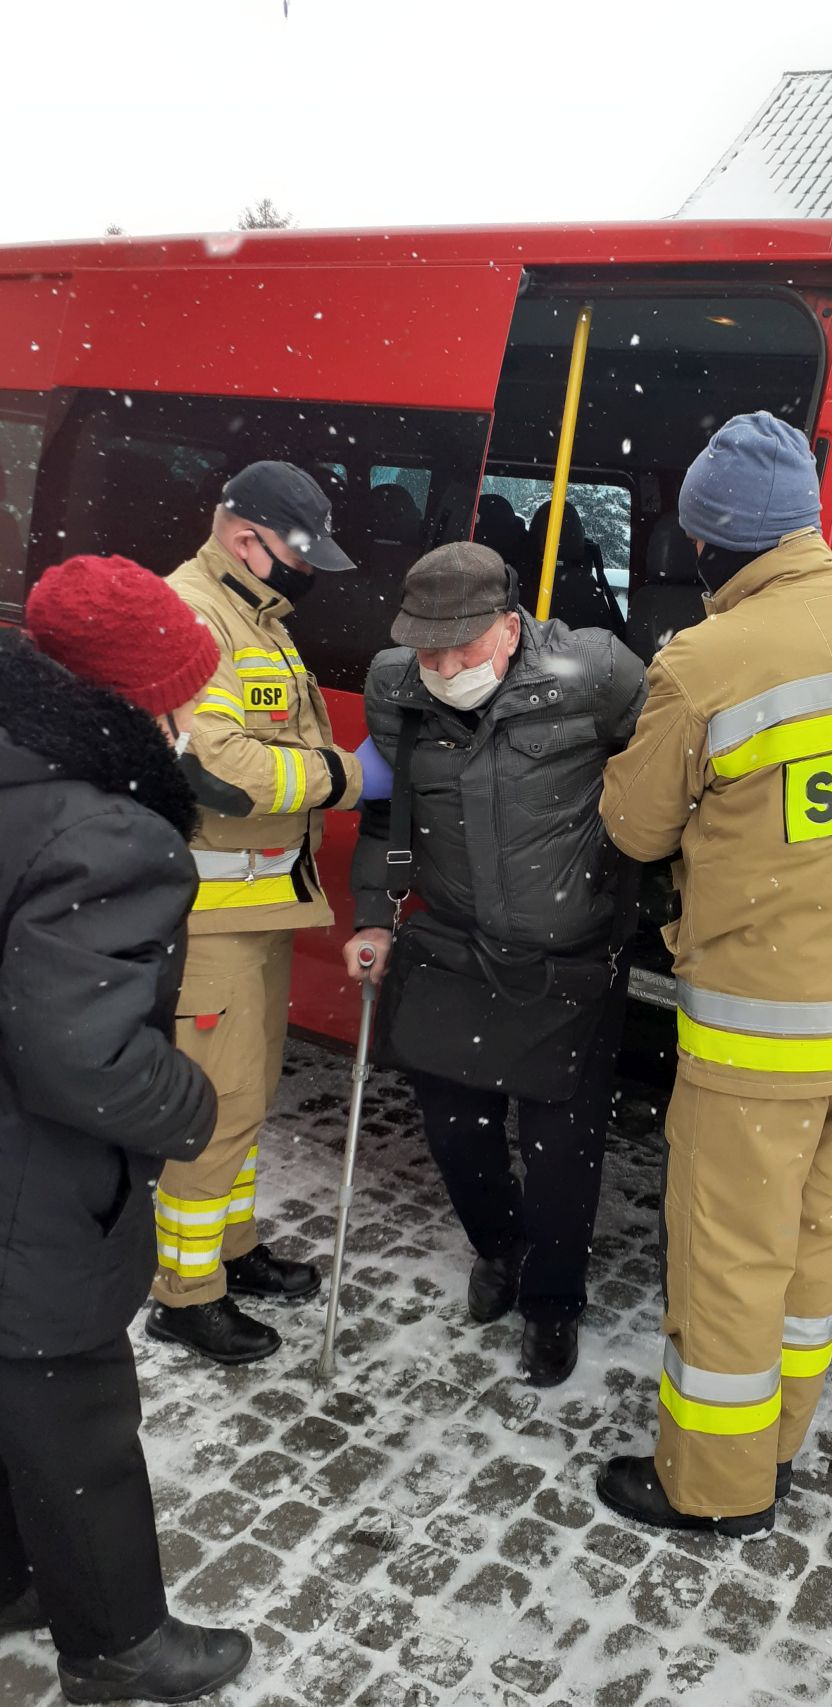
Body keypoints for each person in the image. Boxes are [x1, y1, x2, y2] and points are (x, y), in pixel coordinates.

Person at [594, 413, 832, 1534]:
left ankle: (713, 1488)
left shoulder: (707, 661)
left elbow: (635, 827)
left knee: (730, 1261)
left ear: (707, 542)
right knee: (811, 1248)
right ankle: (781, 1442)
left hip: (761, 1035)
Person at [1, 555, 250, 1702]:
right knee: (76, 1408)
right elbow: (82, 1053)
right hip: (33, 1188)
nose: (189, 714)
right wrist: (190, 1104)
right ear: (135, 698)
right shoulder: (111, 835)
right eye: (182, 692)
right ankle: (115, 1643)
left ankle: (14, 1573)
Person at [345, 541, 646, 1386]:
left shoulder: (595, 674)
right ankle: (500, 1246)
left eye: (463, 647)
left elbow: (663, 766)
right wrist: (372, 915)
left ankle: (553, 1301)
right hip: (455, 943)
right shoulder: (394, 686)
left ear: (510, 629)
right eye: (427, 649)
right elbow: (383, 811)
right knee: (455, 1131)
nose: (444, 667)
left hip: (571, 955)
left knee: (562, 1152)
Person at [145, 463, 363, 1366]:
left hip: (258, 906)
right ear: (247, 541)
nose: (306, 575)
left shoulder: (255, 617)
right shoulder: (195, 618)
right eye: (298, 556)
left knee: (248, 1094)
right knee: (213, 1106)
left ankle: (230, 1251)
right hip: (209, 917)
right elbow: (221, 769)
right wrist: (347, 775)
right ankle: (185, 1294)